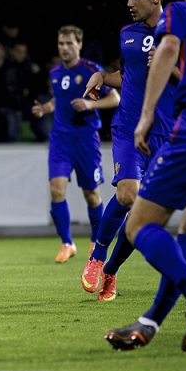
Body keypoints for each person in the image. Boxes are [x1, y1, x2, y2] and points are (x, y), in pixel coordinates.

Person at [105, 0, 186, 352]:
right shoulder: (129, 33)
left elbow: (167, 50)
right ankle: (150, 323)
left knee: (139, 223)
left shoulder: (182, 11)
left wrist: (144, 118)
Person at [81, 0, 177, 302]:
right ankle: (97, 254)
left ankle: (111, 271)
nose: (129, 3)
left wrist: (170, 67)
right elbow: (127, 74)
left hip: (166, 133)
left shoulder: (179, 33)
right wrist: (102, 76)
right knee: (127, 195)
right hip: (128, 126)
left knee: (143, 214)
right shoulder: (127, 34)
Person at [31, 25, 120, 262]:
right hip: (60, 139)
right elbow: (58, 100)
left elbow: (114, 97)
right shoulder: (55, 72)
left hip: (85, 139)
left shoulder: (92, 70)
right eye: (61, 44)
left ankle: (95, 242)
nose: (64, 48)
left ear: (79, 45)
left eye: (69, 43)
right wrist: (46, 108)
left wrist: (91, 105)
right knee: (56, 189)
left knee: (91, 194)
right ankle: (67, 243)